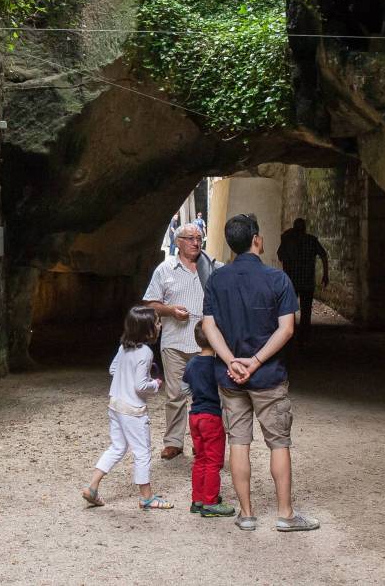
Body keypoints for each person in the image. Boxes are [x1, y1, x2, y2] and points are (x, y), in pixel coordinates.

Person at [201, 213, 318, 532]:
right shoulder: (277, 279)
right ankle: (285, 514)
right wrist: (255, 361)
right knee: (278, 443)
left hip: (230, 378)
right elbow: (287, 329)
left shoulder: (216, 279)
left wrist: (231, 361)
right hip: (268, 376)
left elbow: (208, 325)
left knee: (238, 442)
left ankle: (247, 514)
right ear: (256, 239)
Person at [141, 223, 220, 461]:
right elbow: (150, 304)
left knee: (204, 394)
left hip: (205, 344)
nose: (196, 243)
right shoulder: (164, 270)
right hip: (174, 342)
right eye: (190, 238)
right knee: (175, 394)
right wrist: (170, 310)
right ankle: (173, 442)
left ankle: (201, 441)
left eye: (199, 238)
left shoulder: (212, 267)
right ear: (178, 242)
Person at [81, 305, 172, 510]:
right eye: (157, 322)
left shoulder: (124, 347)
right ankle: (146, 497)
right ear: (147, 330)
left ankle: (92, 487)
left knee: (117, 447)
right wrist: (155, 384)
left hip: (115, 404)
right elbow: (140, 386)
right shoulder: (146, 352)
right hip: (133, 410)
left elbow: (113, 369)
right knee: (142, 452)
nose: (160, 325)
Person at [183, 324, 236, 517]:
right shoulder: (217, 365)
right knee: (214, 461)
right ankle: (210, 502)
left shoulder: (191, 363)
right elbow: (225, 390)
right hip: (212, 416)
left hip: (194, 415)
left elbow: (184, 389)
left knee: (200, 459)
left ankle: (197, 499)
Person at [275, 218, 330, 328]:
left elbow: (280, 256)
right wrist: (325, 274)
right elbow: (323, 255)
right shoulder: (312, 240)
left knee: (289, 309)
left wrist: (285, 237)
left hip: (292, 280)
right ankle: (304, 335)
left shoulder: (288, 240)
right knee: (306, 310)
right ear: (305, 228)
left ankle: (290, 331)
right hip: (307, 280)